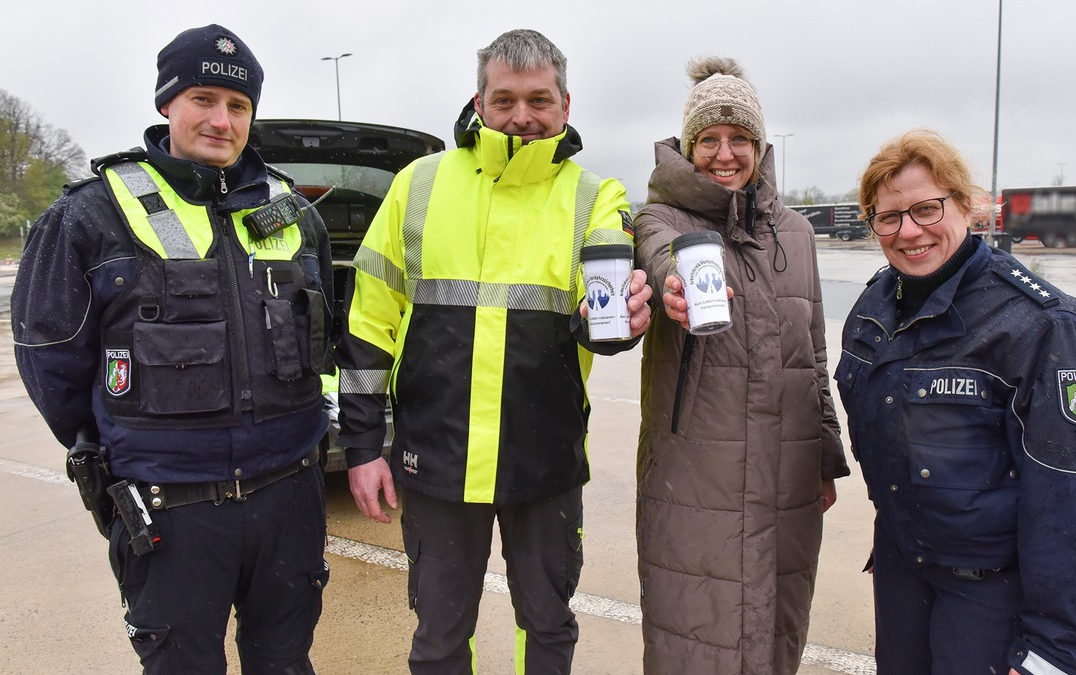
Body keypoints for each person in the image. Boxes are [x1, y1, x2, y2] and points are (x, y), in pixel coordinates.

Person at [11, 25, 333, 675]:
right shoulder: (92, 216)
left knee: (286, 662)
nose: (221, 120)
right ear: (167, 103)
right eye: (204, 99)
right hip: (171, 511)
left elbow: (324, 334)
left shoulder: (293, 212)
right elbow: (52, 360)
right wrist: (115, 443)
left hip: (289, 501)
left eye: (238, 105)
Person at [334, 29, 653, 675]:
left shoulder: (596, 196)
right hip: (437, 459)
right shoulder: (417, 185)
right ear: (478, 102)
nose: (523, 116)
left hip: (546, 463)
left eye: (539, 99)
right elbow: (368, 325)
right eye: (504, 99)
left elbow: (609, 319)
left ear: (566, 104)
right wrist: (364, 445)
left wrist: (621, 321)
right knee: (440, 637)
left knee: (548, 627)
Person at [835, 129, 1076, 675]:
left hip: (990, 599)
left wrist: (1050, 652)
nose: (909, 231)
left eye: (926, 209)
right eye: (888, 216)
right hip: (905, 575)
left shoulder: (1040, 328)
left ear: (967, 205)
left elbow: (1074, 497)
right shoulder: (876, 304)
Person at [631, 57, 850, 675]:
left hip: (788, 480)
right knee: (694, 641)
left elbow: (814, 354)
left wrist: (826, 458)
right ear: (688, 145)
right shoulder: (660, 219)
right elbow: (658, 257)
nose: (724, 155)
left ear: (759, 145)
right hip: (696, 482)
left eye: (740, 140)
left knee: (777, 638)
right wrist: (672, 284)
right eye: (709, 140)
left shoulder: (797, 234)